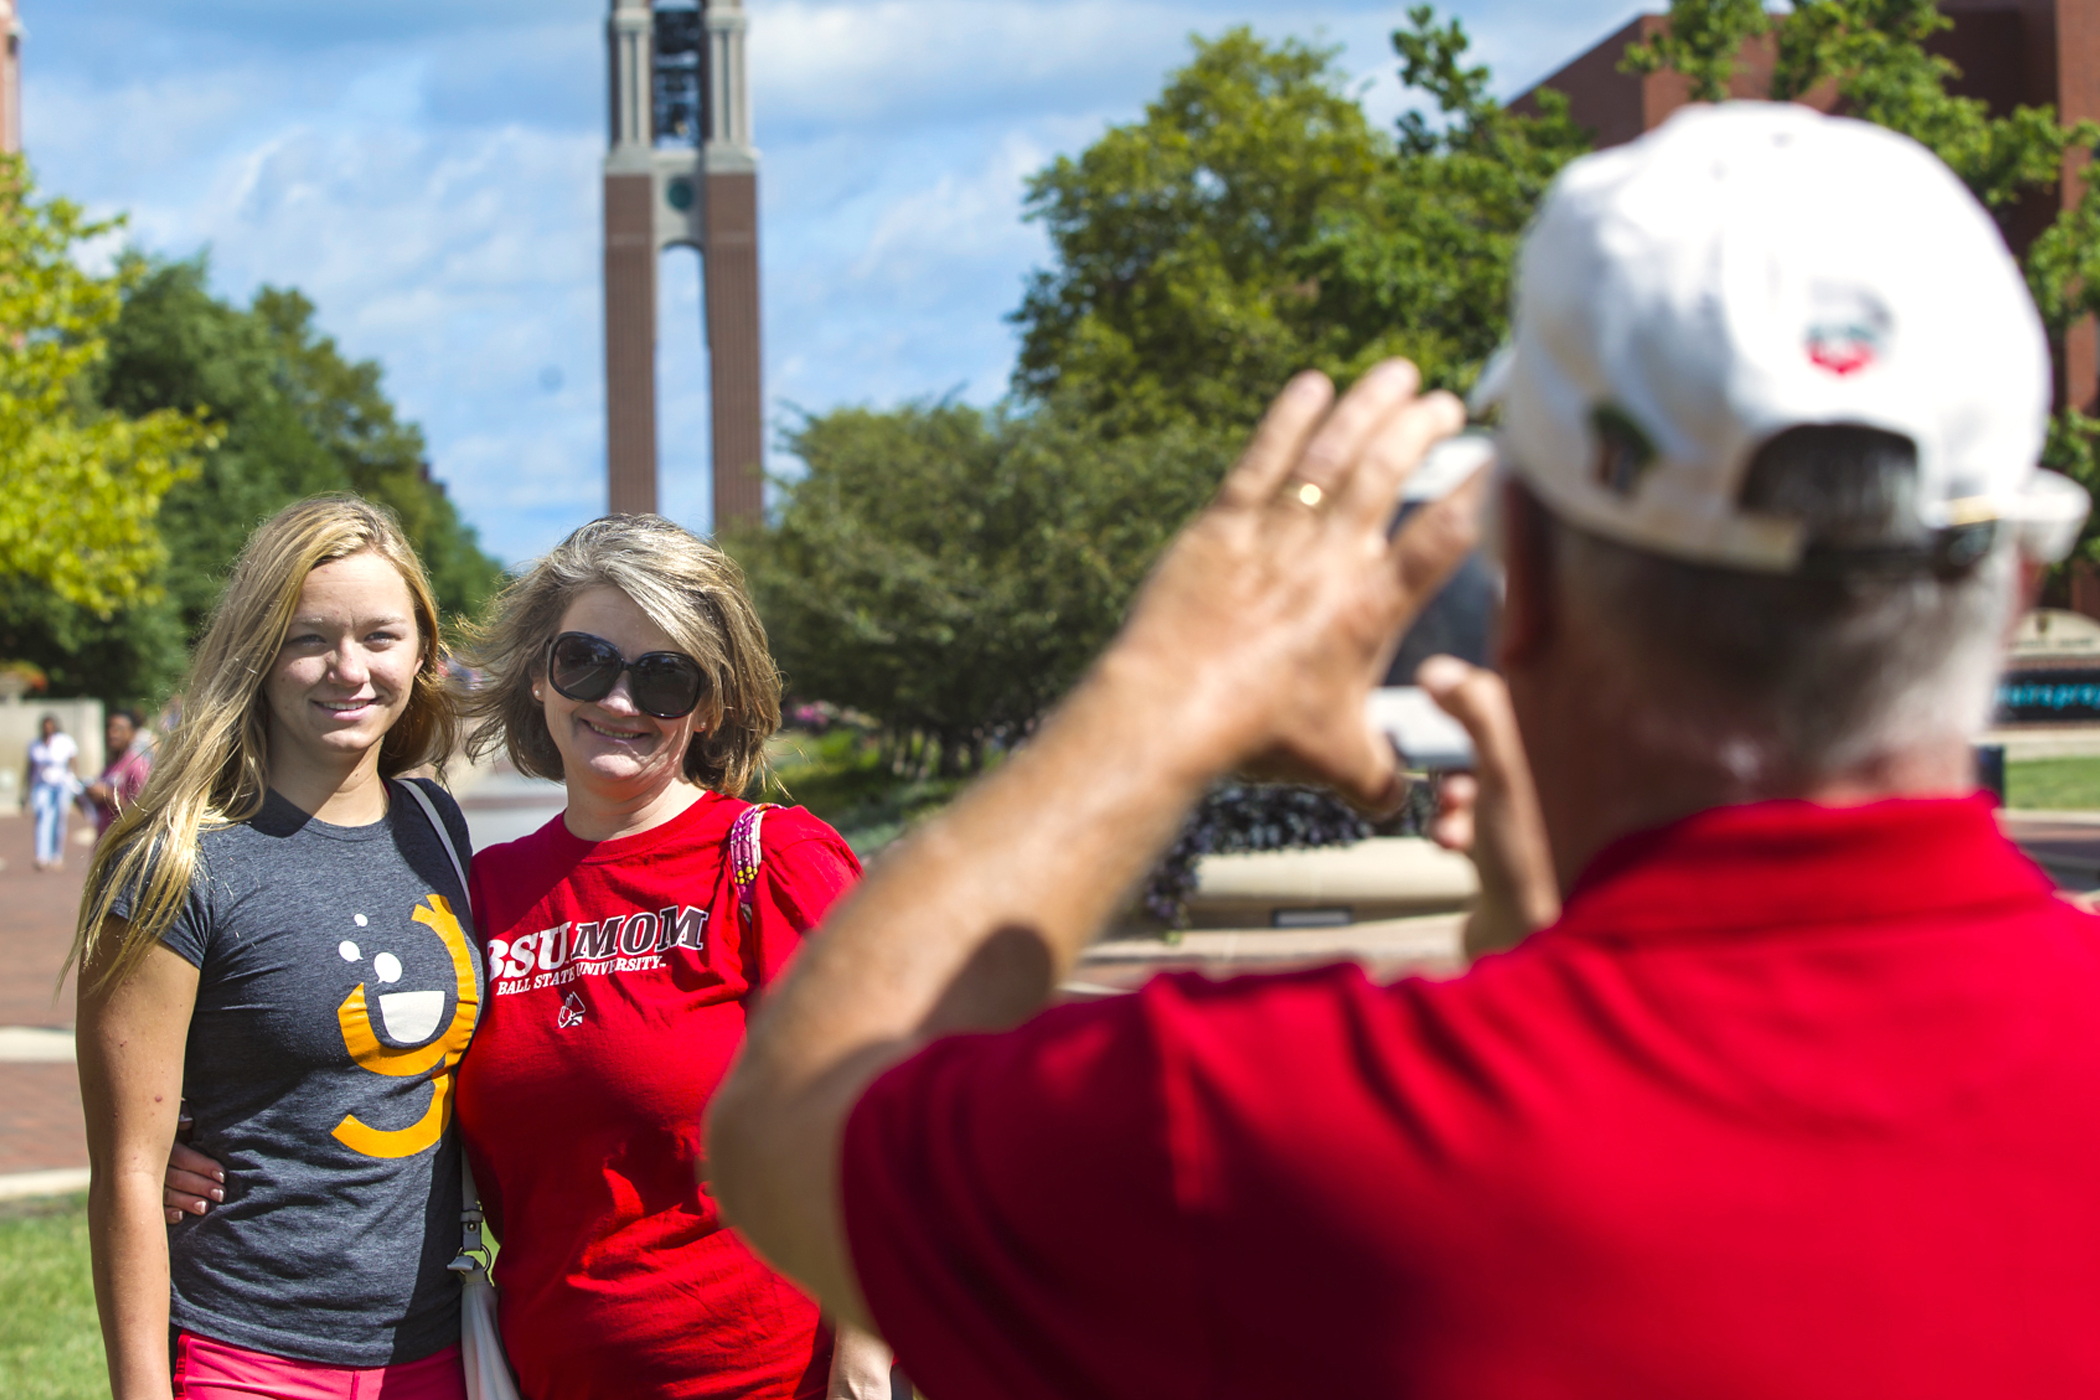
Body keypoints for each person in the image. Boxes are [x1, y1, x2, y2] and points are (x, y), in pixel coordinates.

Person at [707, 104, 2100, 1395]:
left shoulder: (1271, 1141)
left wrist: (1167, 692)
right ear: (2016, 586)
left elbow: (790, 1129)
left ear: (1529, 581)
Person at [449, 513, 889, 1399]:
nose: (618, 702)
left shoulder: (777, 864)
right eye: (585, 661)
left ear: (711, 705)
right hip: (547, 1374)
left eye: (664, 678)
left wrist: (868, 1370)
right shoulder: (482, 891)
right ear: (539, 675)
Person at [74, 495, 480, 1400]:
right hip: (248, 1356)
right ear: (258, 651)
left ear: (422, 649)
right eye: (310, 639)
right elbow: (130, 1174)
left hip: (438, 1349)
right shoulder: (176, 859)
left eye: (380, 636)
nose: (349, 669)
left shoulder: (436, 826)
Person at [84, 708, 153, 841]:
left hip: (123, 844)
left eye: (119, 729)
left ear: (132, 733)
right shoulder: (110, 765)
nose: (112, 734)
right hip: (104, 841)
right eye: (109, 728)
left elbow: (140, 814)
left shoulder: (137, 766)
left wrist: (108, 795)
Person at [25, 713, 80, 870]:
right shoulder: (35, 744)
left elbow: (73, 761)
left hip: (61, 783)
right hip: (42, 784)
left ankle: (57, 855)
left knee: (59, 818)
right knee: (42, 816)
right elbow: (29, 768)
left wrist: (75, 781)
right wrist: (26, 791)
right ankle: (42, 856)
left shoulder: (64, 741)